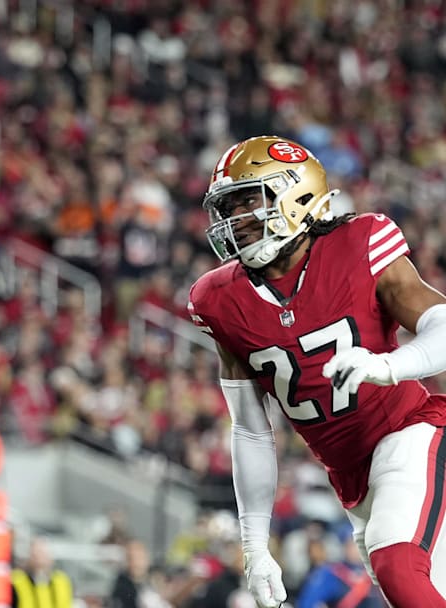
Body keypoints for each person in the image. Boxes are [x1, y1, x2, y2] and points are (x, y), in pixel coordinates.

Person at [188, 135, 446, 607]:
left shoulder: (360, 243)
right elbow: (250, 430)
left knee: (397, 563)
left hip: (414, 432)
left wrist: (388, 366)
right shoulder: (219, 300)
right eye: (228, 208)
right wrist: (254, 546)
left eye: (249, 201)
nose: (236, 221)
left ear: (297, 195)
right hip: (351, 479)